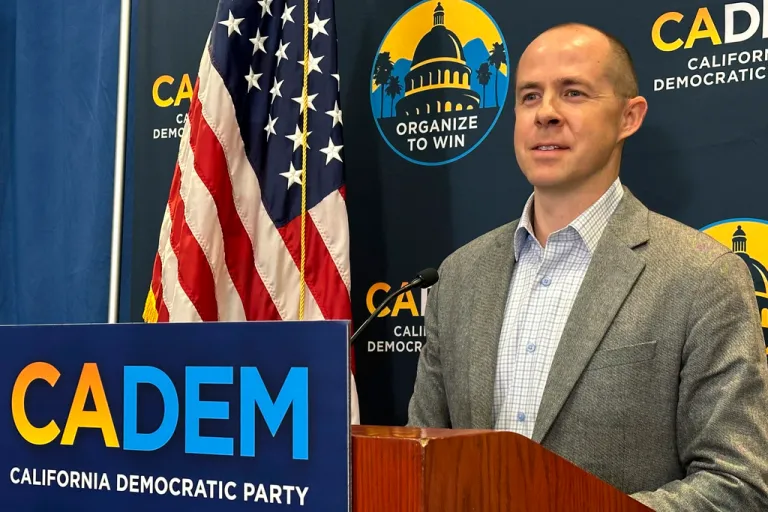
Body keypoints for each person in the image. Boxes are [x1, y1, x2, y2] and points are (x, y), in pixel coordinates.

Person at [407, 22, 768, 511]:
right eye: (530, 97)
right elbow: (420, 459)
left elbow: (738, 484)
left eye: (573, 93)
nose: (546, 113)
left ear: (628, 117)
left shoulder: (702, 275)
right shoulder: (459, 275)